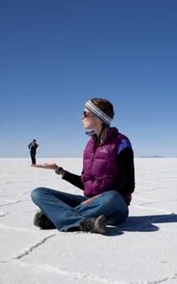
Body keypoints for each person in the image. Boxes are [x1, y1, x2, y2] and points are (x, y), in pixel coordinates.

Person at [30, 98, 135, 234]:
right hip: (89, 203)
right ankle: (84, 223)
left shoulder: (121, 143)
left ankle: (57, 218)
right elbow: (87, 183)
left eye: (85, 113)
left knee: (112, 197)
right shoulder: (90, 145)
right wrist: (60, 171)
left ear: (98, 117)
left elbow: (128, 186)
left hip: (114, 207)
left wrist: (96, 199)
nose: (81, 117)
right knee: (38, 193)